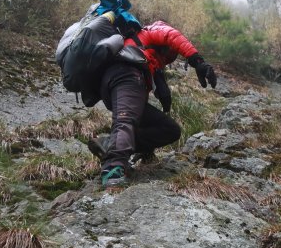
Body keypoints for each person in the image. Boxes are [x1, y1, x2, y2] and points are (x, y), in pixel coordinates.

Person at [92, 20, 217, 187]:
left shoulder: (146, 52)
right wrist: (197, 61)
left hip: (116, 85)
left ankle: (114, 144)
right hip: (126, 76)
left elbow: (159, 80)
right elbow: (171, 36)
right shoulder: (154, 29)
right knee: (125, 121)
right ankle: (112, 169)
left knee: (169, 129)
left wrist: (165, 98)